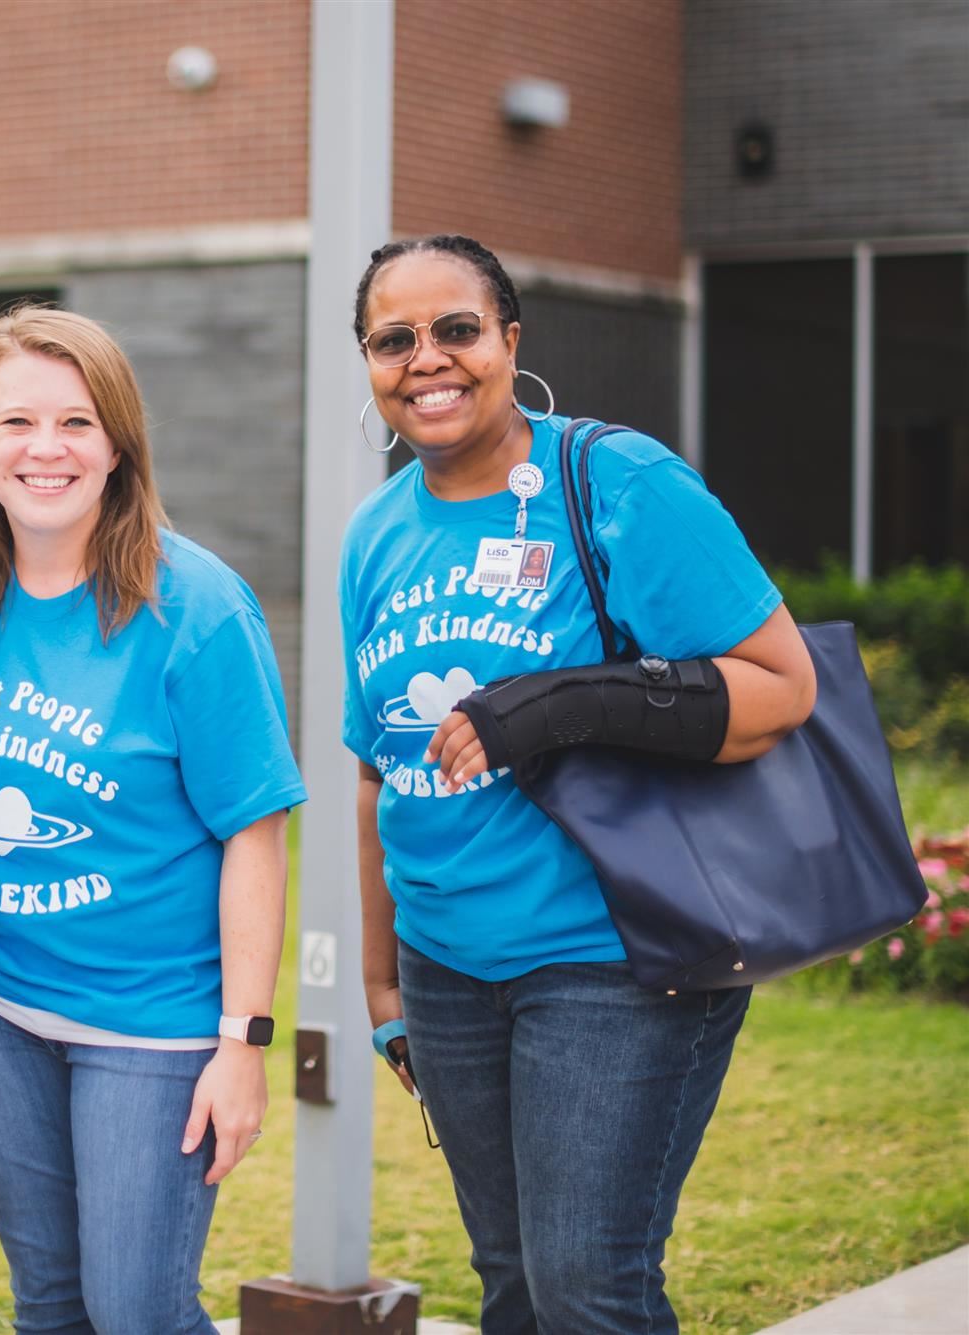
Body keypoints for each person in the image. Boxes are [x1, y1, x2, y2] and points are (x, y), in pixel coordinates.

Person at [341, 234, 817, 1332]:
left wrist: (557, 705)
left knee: (585, 1287)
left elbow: (779, 689)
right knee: (508, 1278)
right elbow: (376, 775)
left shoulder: (611, 480)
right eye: (391, 339)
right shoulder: (374, 534)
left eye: (455, 329)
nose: (426, 359)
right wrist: (380, 990)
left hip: (613, 960)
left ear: (509, 340)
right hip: (445, 972)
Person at [0, 307, 306, 1333]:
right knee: (48, 1307)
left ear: (117, 445)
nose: (43, 450)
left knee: (136, 1310)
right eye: (14, 422)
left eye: (74, 423)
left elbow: (253, 838)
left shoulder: (197, 609)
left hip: (152, 1027)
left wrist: (242, 1043)